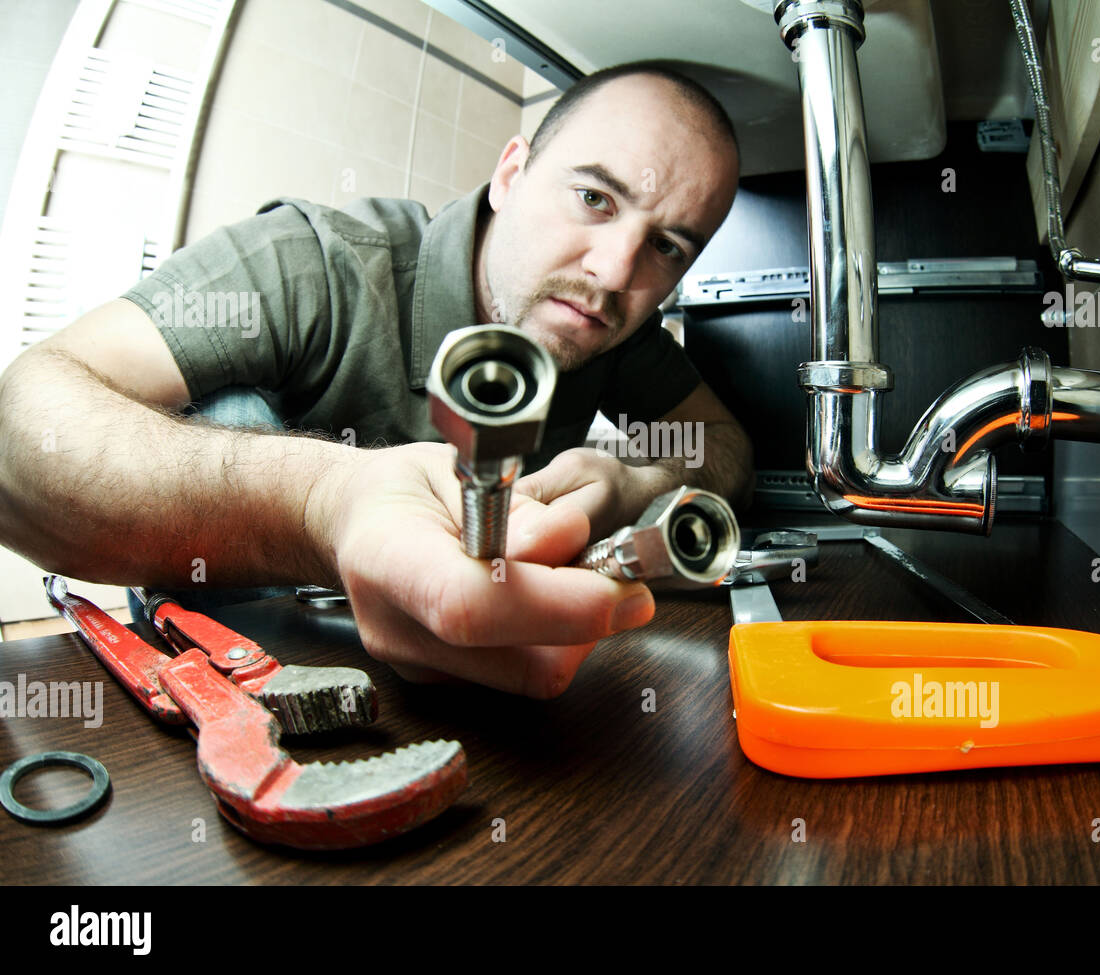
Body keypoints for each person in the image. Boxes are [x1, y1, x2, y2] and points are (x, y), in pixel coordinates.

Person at [0, 61, 752, 698]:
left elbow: (725, 447)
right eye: (594, 198)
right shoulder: (313, 263)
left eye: (667, 246)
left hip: (501, 736)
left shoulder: (610, 326)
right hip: (236, 694)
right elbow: (20, 433)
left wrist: (629, 482)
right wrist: (320, 505)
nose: (614, 272)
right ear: (512, 175)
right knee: (232, 411)